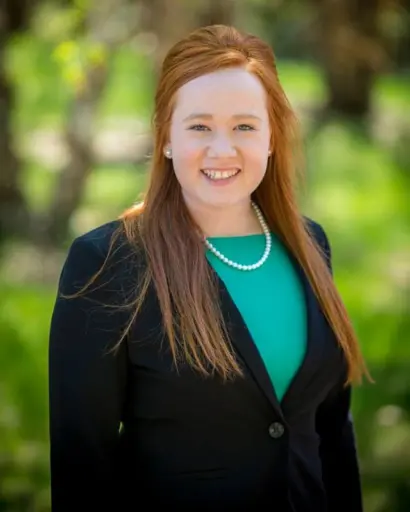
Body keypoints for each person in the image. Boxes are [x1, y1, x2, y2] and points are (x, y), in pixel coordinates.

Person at [48, 24, 371, 512]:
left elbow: (330, 431)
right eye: (199, 127)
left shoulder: (310, 244)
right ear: (166, 139)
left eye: (245, 126)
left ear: (271, 138)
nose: (223, 149)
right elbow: (82, 461)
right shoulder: (108, 262)